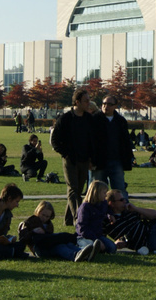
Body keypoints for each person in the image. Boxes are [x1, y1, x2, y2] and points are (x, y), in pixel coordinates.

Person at [50, 89, 95, 226]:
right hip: (70, 160)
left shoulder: (89, 119)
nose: (89, 103)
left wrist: (91, 159)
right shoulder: (65, 119)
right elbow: (55, 140)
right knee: (73, 189)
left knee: (78, 191)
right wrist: (66, 154)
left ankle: (68, 220)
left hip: (84, 160)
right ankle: (78, 218)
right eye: (86, 101)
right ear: (77, 102)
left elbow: (92, 140)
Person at [18, 200, 100, 262]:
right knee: (59, 247)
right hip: (39, 248)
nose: (45, 218)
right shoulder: (29, 222)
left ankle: (84, 253)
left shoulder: (49, 225)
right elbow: (23, 239)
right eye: (43, 215)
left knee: (65, 244)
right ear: (37, 211)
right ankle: (75, 255)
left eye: (47, 216)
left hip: (48, 245)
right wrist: (33, 231)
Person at [90, 95, 133, 199]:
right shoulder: (94, 119)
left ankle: (122, 213)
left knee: (119, 190)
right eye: (104, 104)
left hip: (116, 160)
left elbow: (126, 141)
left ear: (115, 106)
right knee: (97, 192)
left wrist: (129, 158)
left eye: (109, 104)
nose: (106, 106)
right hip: (99, 161)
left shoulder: (120, 121)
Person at [76, 181, 117, 254]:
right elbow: (82, 227)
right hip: (86, 236)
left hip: (98, 234)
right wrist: (95, 239)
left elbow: (108, 209)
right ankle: (83, 246)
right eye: (104, 193)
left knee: (112, 248)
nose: (105, 196)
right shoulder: (85, 207)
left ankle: (97, 248)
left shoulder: (103, 203)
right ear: (96, 193)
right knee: (91, 245)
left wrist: (110, 215)